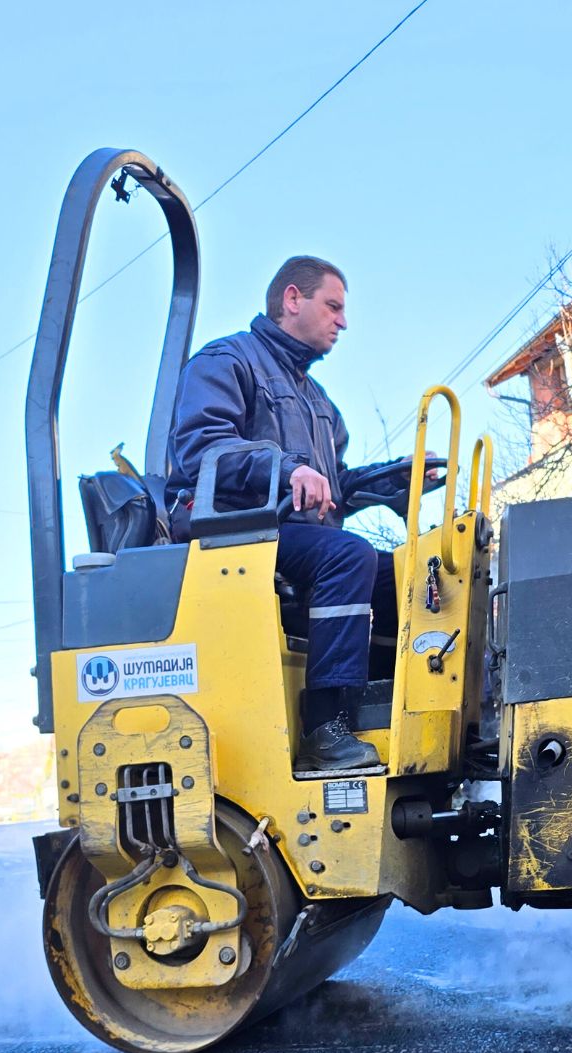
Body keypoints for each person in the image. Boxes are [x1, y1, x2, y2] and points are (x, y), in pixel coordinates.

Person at [166, 256, 425, 774]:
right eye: (332, 306)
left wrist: (398, 477)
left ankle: (378, 706)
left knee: (401, 575)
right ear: (292, 299)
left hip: (292, 534)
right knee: (347, 557)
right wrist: (285, 469)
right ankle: (323, 729)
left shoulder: (319, 403)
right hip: (233, 531)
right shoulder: (226, 361)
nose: (342, 322)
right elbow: (202, 447)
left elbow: (334, 485)